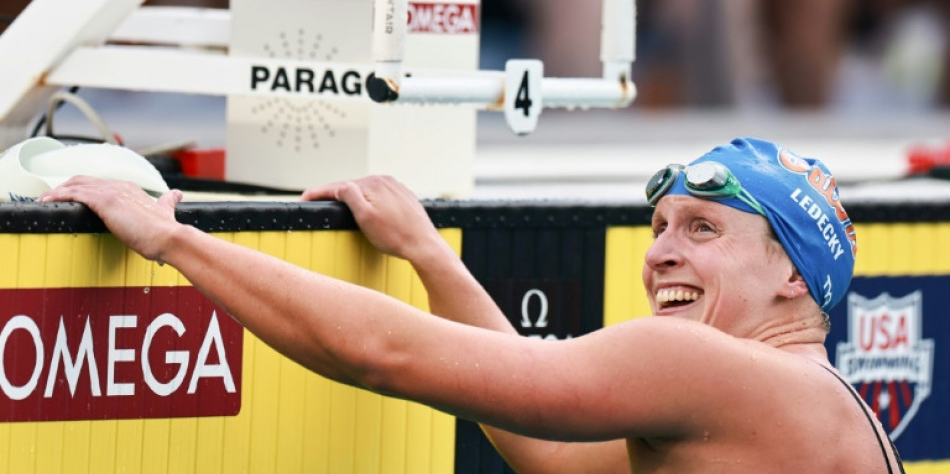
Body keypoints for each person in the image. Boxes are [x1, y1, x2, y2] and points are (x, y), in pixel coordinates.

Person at [38, 138, 903, 473]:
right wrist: (428, 254)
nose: (661, 251)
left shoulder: (718, 372)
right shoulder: (817, 409)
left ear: (793, 271)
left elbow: (389, 353)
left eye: (704, 228)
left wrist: (176, 241)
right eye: (661, 224)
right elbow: (545, 449)